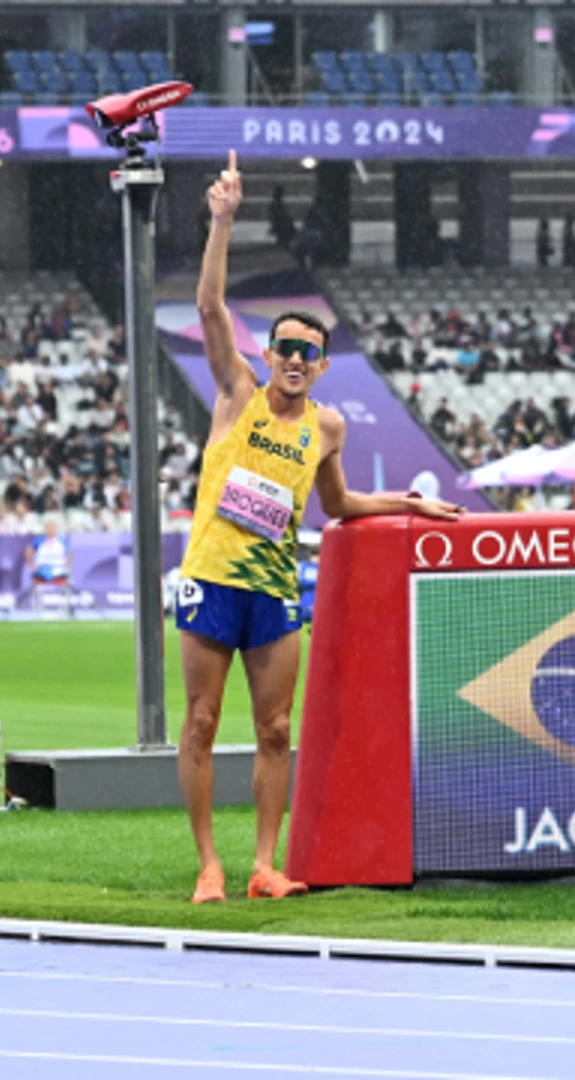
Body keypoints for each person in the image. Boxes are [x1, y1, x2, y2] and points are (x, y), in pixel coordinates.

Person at [183, 151, 461, 904]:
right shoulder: (238, 393)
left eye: (311, 352)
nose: (296, 360)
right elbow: (210, 308)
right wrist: (223, 220)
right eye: (286, 349)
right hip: (212, 576)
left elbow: (336, 508)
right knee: (203, 719)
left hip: (274, 588)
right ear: (266, 356)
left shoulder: (328, 428)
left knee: (275, 728)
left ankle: (263, 865)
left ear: (324, 365)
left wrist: (407, 502)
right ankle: (208, 864)